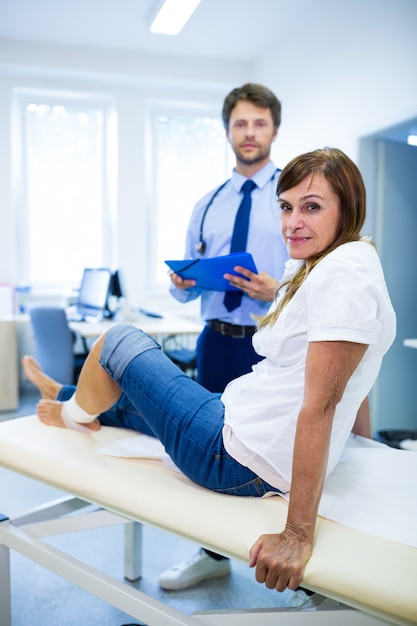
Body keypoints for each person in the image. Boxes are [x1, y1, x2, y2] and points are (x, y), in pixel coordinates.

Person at [23, 148, 396, 598]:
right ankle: (65, 396)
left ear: (348, 209)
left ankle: (70, 413)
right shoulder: (334, 262)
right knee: (138, 402)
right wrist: (362, 445)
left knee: (117, 341)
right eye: (285, 206)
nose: (292, 221)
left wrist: (298, 533)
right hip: (242, 424)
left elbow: (325, 402)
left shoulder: (343, 275)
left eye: (312, 207)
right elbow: (356, 381)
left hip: (235, 456)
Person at [167, 82, 289, 589]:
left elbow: (316, 277)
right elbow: (185, 292)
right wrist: (182, 281)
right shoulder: (208, 202)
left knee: (278, 457)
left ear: (275, 130)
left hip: (272, 346)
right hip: (215, 341)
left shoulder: (294, 197)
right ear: (227, 131)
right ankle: (211, 552)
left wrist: (275, 289)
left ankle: (298, 569)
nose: (250, 132)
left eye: (259, 123)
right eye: (240, 123)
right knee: (209, 450)